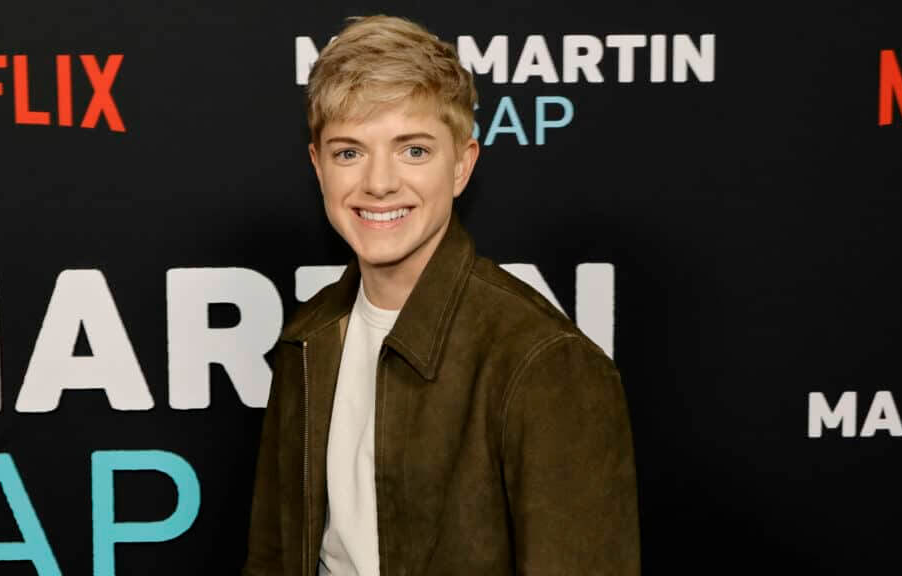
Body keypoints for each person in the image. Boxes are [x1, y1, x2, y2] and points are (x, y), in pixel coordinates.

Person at [243, 14, 639, 575]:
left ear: (462, 165)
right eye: (349, 152)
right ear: (318, 167)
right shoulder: (308, 338)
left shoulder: (542, 361)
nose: (379, 183)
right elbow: (272, 560)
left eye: (414, 151)